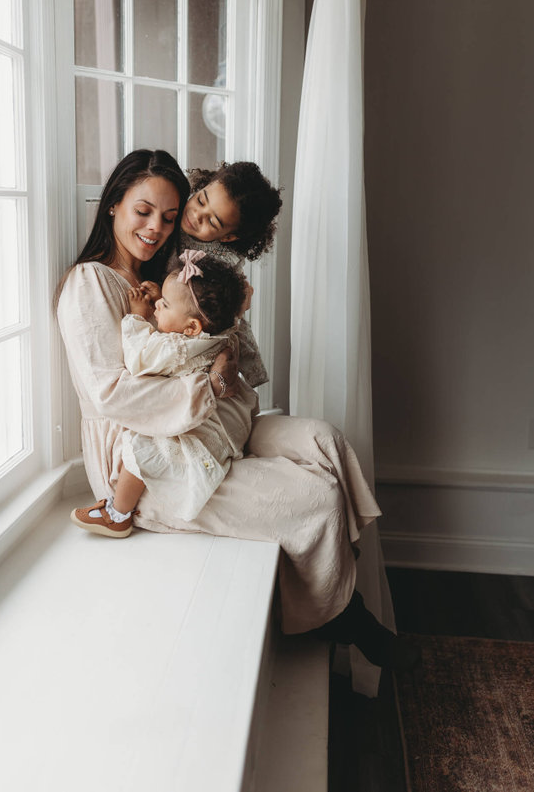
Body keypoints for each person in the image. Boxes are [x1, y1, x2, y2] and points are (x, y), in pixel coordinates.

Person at [56, 148, 418, 672]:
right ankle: (341, 617)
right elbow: (111, 394)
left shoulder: (172, 272)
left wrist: (227, 336)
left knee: (325, 441)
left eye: (169, 216)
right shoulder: (89, 283)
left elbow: (220, 351)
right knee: (317, 498)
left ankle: (334, 576)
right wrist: (208, 386)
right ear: (113, 203)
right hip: (145, 455)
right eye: (143, 211)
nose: (156, 228)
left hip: (211, 422)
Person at [70, 250, 258, 537]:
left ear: (191, 327)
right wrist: (169, 299)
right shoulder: (221, 330)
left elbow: (139, 357)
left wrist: (137, 316)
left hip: (202, 429)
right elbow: (193, 311)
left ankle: (118, 513)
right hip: (232, 424)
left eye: (164, 304)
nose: (157, 305)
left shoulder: (175, 348)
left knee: (140, 450)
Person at [176, 162, 282, 388]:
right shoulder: (170, 213)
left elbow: (233, 320)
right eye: (200, 200)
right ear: (202, 187)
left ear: (228, 237)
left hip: (202, 328)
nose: (197, 215)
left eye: (212, 221)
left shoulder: (223, 260)